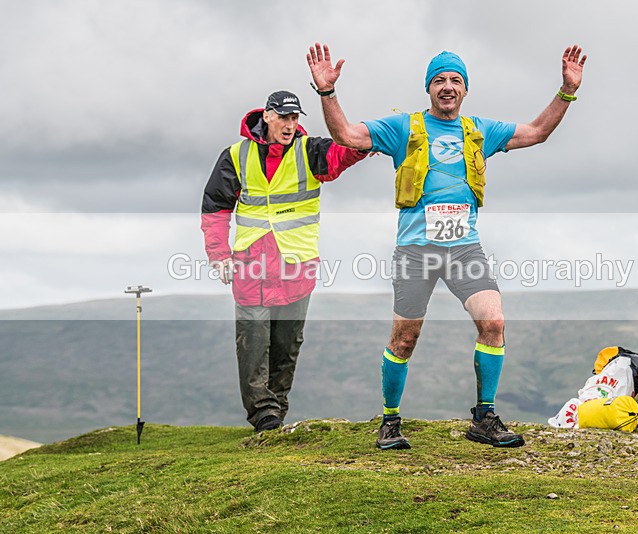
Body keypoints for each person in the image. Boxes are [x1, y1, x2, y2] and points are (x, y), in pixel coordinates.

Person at [307, 43, 587, 449]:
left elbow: (538, 132)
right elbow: (346, 135)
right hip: (416, 250)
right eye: (439, 80)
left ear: (466, 89)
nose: (448, 86)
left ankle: (484, 417)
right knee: (404, 339)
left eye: (456, 80)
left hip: (464, 250)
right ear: (429, 88)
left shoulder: (481, 131)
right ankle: (389, 421)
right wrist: (327, 92)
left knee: (494, 323)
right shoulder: (403, 127)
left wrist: (566, 91)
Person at [201, 90, 367, 433]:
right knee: (252, 345)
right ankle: (264, 415)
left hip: (296, 268)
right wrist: (218, 255)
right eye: (284, 118)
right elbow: (216, 208)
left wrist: (373, 136)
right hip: (251, 268)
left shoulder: (312, 151)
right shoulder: (235, 156)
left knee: (287, 346)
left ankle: (276, 413)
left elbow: (348, 151)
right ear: (267, 116)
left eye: (295, 118)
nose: (290, 125)